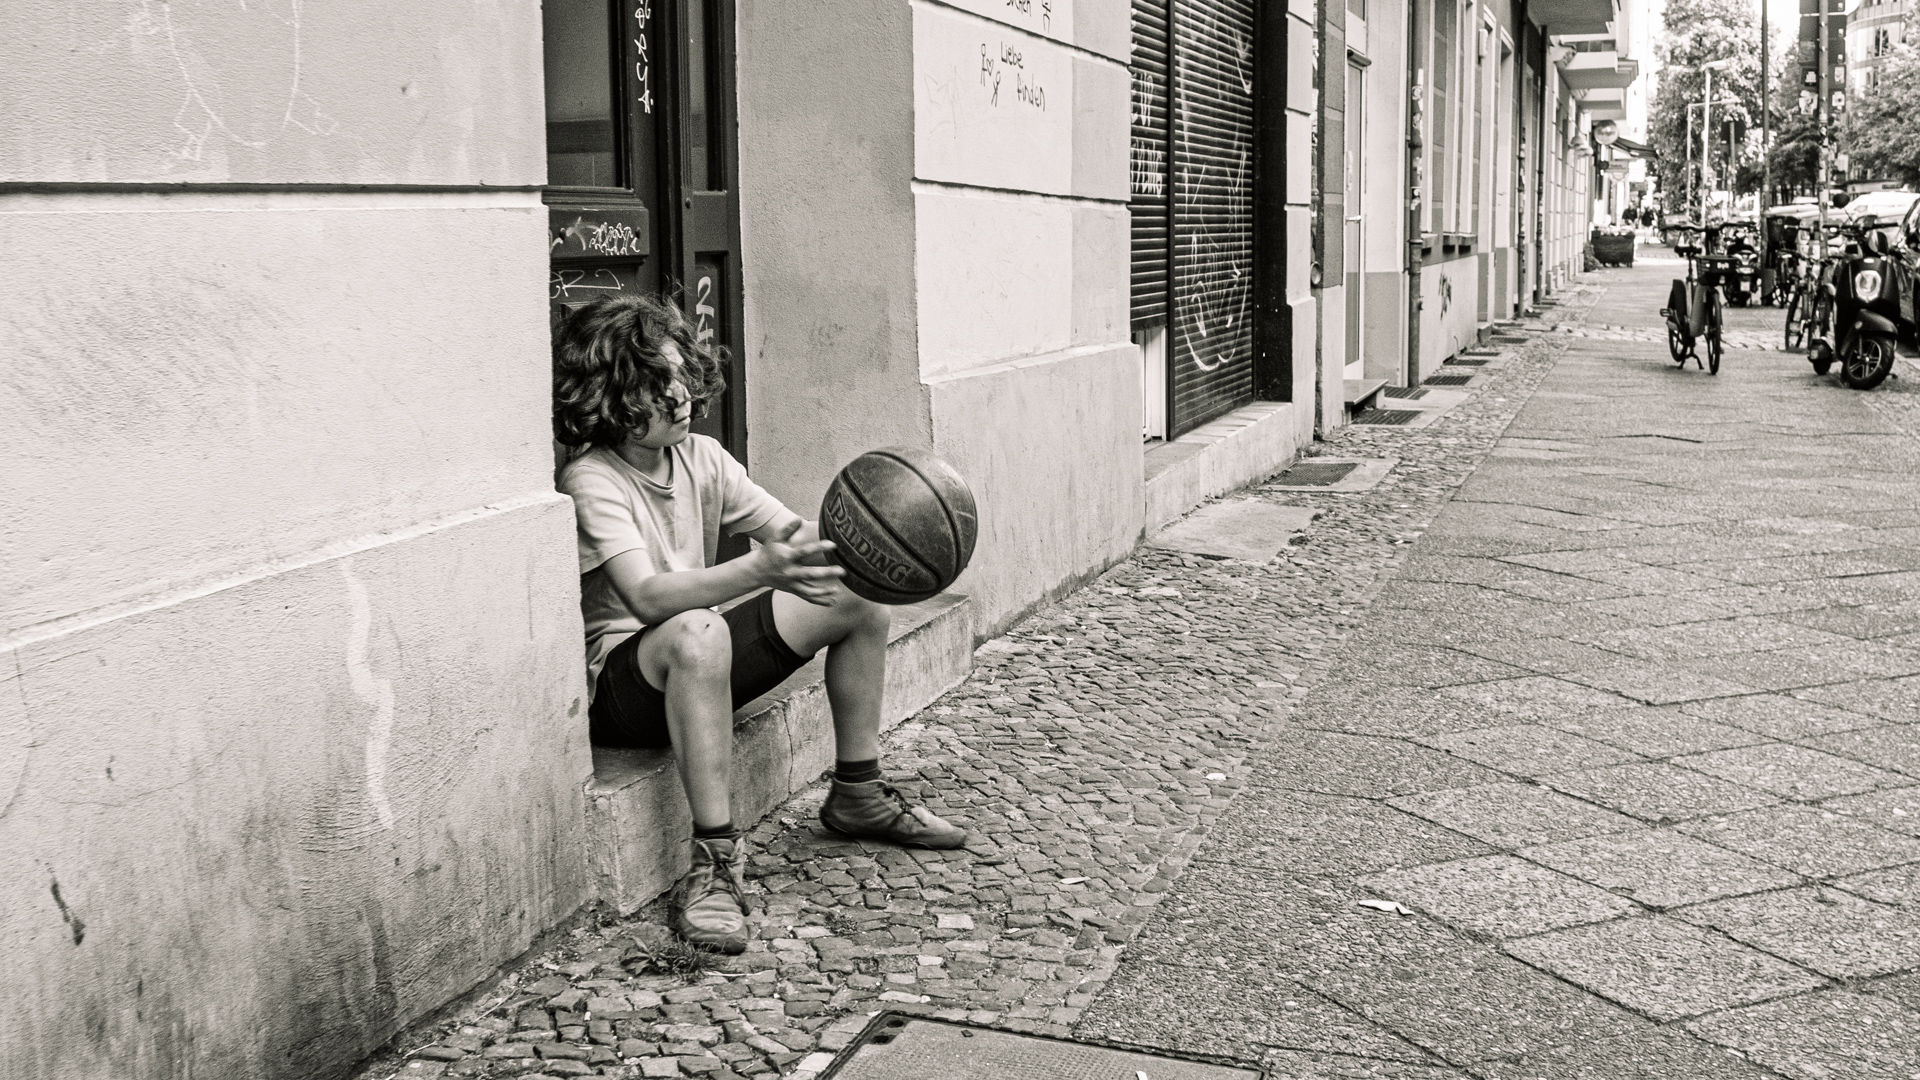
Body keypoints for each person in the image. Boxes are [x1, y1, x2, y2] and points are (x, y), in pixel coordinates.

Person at [551, 295, 968, 954]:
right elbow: (650, 596)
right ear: (612, 398)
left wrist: (876, 540)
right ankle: (716, 864)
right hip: (629, 690)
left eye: (680, 373)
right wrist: (761, 572)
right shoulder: (592, 479)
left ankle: (857, 792)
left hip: (702, 660)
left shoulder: (706, 459)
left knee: (853, 595)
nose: (680, 392)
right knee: (695, 630)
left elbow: (793, 537)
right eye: (658, 384)